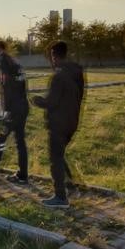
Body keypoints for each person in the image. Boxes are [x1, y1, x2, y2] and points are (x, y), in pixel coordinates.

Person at [30, 41, 85, 208]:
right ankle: (71, 188)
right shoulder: (77, 73)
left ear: (54, 56)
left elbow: (52, 102)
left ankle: (60, 198)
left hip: (58, 123)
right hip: (72, 121)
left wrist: (37, 100)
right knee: (60, 156)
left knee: (55, 159)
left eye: (51, 56)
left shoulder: (58, 76)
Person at [0, 40, 30, 184]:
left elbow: (9, 87)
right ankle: (23, 175)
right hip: (23, 106)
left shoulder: (4, 63)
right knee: (20, 142)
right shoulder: (14, 63)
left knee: (0, 138)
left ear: (0, 50)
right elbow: (11, 82)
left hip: (13, 108)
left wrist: (7, 110)